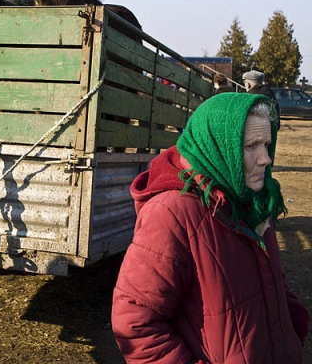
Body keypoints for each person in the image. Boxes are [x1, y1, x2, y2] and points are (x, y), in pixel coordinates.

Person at [111, 93, 309, 363]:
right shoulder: (171, 213)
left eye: (267, 144)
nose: (266, 159)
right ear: (218, 145)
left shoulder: (253, 199)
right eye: (252, 146)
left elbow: (271, 273)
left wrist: (293, 323)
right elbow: (136, 323)